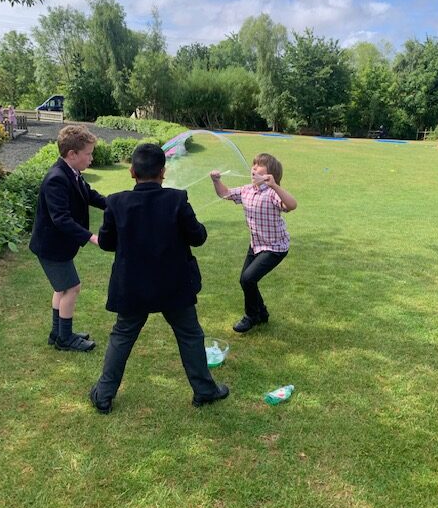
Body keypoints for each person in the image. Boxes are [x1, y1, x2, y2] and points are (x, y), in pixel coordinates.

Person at [90, 143, 229, 414]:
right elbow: (198, 237)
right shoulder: (177, 199)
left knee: (122, 336)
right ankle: (204, 390)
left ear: (132, 172)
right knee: (189, 334)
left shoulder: (116, 202)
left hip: (132, 287)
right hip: (173, 286)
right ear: (162, 172)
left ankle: (104, 394)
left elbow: (106, 243)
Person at [29, 125, 107, 351]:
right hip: (51, 247)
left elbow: (89, 195)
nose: (91, 158)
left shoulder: (71, 172)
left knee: (62, 289)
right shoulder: (57, 178)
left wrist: (117, 204)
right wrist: (92, 237)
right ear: (72, 154)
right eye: (88, 154)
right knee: (72, 288)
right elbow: (60, 219)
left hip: (56, 246)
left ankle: (58, 333)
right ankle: (65, 339)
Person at [210, 153, 297, 333]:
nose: (254, 168)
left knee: (248, 278)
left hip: (275, 247)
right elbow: (225, 193)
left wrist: (274, 185)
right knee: (246, 281)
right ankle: (262, 313)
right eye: (254, 165)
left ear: (270, 173)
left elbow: (291, 205)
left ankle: (251, 316)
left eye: (259, 165)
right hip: (256, 245)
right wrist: (216, 181)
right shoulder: (247, 190)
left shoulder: (273, 193)